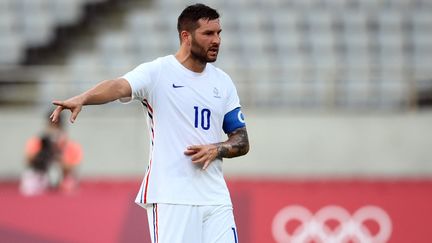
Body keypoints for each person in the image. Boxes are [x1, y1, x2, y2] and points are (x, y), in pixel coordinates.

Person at [50, 3, 249, 243]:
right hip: (171, 197)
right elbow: (118, 86)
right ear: (186, 36)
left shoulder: (223, 82)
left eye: (219, 33)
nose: (216, 40)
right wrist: (83, 98)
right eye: (208, 33)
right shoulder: (158, 72)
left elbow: (242, 139)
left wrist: (217, 148)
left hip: (216, 198)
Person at [21, 109, 82, 196]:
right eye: (51, 124)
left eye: (57, 125)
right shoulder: (38, 142)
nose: (54, 129)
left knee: (70, 184)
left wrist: (58, 150)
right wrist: (45, 148)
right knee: (30, 182)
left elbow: (70, 168)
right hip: (41, 175)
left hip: (62, 177)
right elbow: (29, 161)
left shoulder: (71, 145)